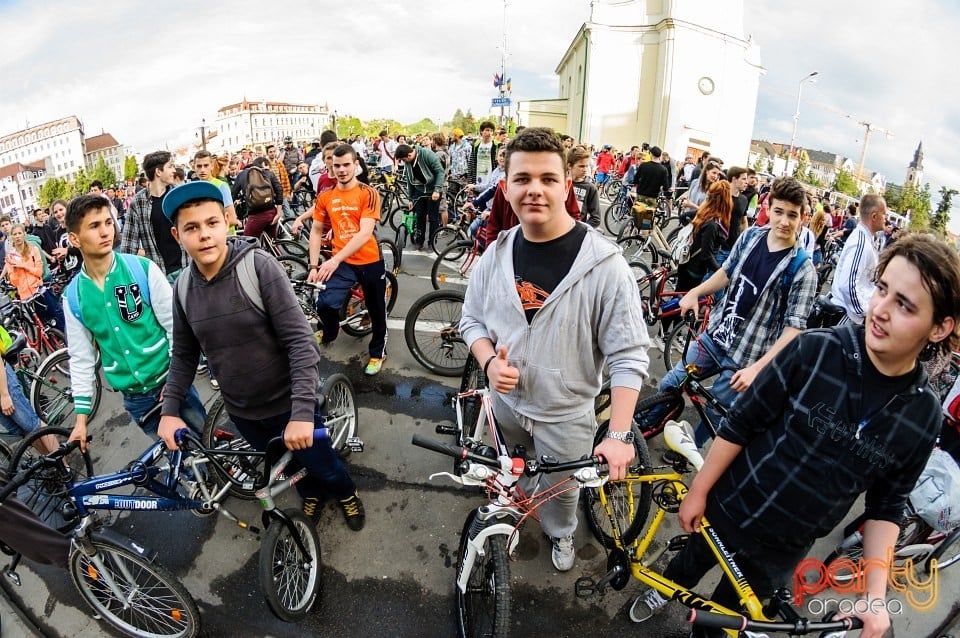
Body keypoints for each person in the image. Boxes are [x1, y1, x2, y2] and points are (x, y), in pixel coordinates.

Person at [631, 234, 960, 638]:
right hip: (731, 507)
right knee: (687, 566)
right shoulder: (814, 350)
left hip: (784, 549)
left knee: (722, 624)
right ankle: (666, 592)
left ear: (941, 327)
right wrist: (700, 489)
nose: (881, 310)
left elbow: (886, 506)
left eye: (904, 305)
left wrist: (875, 597)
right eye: (882, 289)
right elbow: (742, 423)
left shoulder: (924, 417)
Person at [460, 127, 649, 572]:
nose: (535, 189)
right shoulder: (497, 253)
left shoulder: (605, 266)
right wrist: (487, 361)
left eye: (548, 178)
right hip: (505, 406)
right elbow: (471, 320)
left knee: (561, 493)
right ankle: (513, 512)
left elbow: (629, 355)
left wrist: (619, 436)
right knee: (509, 475)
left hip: (565, 414)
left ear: (568, 184)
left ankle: (561, 535)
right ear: (505, 188)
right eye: (522, 179)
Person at [154, 181, 365, 531]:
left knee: (323, 462)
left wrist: (300, 414)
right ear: (178, 236)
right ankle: (310, 492)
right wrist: (169, 411)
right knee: (294, 468)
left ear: (226, 221)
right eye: (192, 228)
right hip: (243, 413)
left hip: (289, 403)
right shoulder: (183, 288)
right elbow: (184, 356)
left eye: (211, 223)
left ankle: (346, 492)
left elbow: (301, 343)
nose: (204, 235)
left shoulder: (257, 266)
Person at [648, 177, 817, 446]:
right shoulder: (751, 237)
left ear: (803, 217)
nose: (784, 221)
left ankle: (686, 454)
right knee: (672, 382)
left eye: (792, 215)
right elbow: (726, 273)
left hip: (746, 359)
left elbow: (793, 331)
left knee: (714, 413)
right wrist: (694, 292)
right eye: (778, 212)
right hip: (714, 337)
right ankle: (646, 427)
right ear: (767, 208)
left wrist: (758, 370)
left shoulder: (802, 270)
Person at [63, 195, 206, 451]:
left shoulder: (142, 268)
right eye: (95, 226)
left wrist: (175, 384)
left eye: (108, 222)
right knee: (179, 460)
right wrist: (81, 420)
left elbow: (177, 328)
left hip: (170, 383)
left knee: (206, 445)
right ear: (74, 239)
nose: (106, 231)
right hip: (136, 399)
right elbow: (81, 358)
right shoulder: (73, 296)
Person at [308, 144, 388, 376]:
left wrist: (333, 260)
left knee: (376, 308)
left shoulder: (368, 193)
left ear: (356, 165)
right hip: (343, 263)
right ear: (330, 168)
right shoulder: (326, 196)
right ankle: (330, 332)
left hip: (370, 260)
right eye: (336, 166)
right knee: (324, 303)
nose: (341, 170)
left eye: (346, 165)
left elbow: (365, 233)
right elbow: (315, 230)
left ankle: (377, 353)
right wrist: (314, 265)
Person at [120, 151, 189, 282]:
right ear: (158, 172)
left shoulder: (179, 195)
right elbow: (128, 249)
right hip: (161, 276)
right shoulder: (138, 203)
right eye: (170, 166)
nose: (174, 170)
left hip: (188, 267)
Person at [831, 194, 887, 325]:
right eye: (884, 214)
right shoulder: (861, 243)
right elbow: (848, 285)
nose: (886, 219)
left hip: (852, 315)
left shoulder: (866, 240)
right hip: (848, 317)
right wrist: (865, 313)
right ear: (874, 216)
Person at [3, 224, 65, 332]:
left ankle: (65, 335)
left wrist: (24, 266)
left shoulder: (33, 250)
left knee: (55, 312)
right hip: (26, 296)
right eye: (14, 234)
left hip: (38, 290)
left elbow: (39, 272)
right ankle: (52, 342)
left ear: (24, 234)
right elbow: (14, 282)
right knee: (41, 322)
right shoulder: (10, 257)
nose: (17, 236)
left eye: (19, 233)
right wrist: (14, 272)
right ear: (11, 237)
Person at [676, 180, 731, 293]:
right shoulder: (713, 224)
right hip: (695, 270)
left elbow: (683, 217)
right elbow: (706, 255)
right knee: (683, 303)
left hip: (687, 262)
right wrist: (722, 273)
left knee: (678, 297)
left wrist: (693, 232)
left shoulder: (704, 212)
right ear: (726, 201)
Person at [395, 143, 444, 250]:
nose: (404, 162)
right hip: (419, 190)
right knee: (419, 216)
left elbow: (440, 172)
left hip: (432, 190)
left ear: (408, 155)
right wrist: (411, 198)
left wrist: (437, 190)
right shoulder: (408, 163)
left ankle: (432, 242)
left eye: (403, 160)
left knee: (433, 217)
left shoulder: (427, 155)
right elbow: (409, 180)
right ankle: (419, 241)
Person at [231, 157, 283, 240]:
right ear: (262, 165)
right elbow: (279, 188)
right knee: (272, 241)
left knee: (247, 243)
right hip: (271, 212)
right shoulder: (267, 173)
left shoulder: (242, 174)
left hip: (255, 216)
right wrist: (279, 212)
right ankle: (276, 252)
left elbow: (232, 195)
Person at [193, 151, 238, 230]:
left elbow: (232, 219)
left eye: (206, 165)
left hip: (225, 238)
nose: (202, 170)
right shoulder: (194, 188)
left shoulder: (221, 186)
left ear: (212, 166)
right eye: (199, 166)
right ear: (194, 167)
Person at [567, 146, 600, 228]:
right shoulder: (560, 183)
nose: (585, 170)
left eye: (586, 166)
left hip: (576, 232)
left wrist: (580, 229)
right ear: (569, 166)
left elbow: (596, 218)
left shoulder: (590, 188)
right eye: (581, 166)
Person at [467, 121, 499, 186]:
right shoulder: (476, 145)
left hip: (491, 183)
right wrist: (470, 182)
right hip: (477, 182)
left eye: (491, 131)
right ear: (481, 131)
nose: (489, 133)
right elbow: (471, 164)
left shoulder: (497, 145)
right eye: (487, 130)